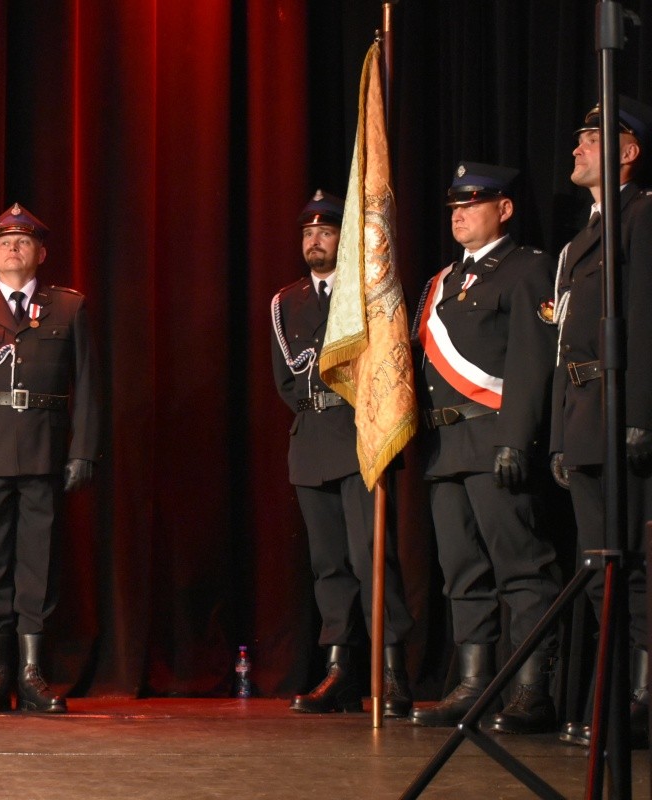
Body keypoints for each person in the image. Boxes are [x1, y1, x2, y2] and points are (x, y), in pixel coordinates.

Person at [409, 162, 561, 733]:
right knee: (462, 571)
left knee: (522, 570)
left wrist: (516, 439)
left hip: (495, 438)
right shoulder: (441, 282)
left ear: (504, 209)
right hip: (446, 445)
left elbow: (531, 360)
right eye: (454, 206)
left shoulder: (527, 269)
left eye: (472, 204)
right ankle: (474, 685)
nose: (459, 215)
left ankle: (531, 690)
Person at [0, 203, 101, 713]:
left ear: (41, 253)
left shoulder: (68, 307)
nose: (13, 248)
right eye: (4, 242)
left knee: (38, 562)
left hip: (45, 451)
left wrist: (82, 451)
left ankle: (31, 673)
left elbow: (89, 386)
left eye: (23, 241)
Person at [269, 190, 414, 716]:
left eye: (325, 233)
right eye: (308, 234)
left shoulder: (367, 293)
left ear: (343, 239)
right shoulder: (285, 302)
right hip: (313, 441)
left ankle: (391, 670)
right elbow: (286, 381)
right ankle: (340, 670)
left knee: (372, 555)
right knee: (328, 563)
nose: (314, 241)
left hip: (360, 436)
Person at [550, 97, 652, 746]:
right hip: (585, 419)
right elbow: (565, 346)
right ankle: (612, 697)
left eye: (592, 137)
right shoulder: (579, 241)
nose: (577, 147)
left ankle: (642, 701)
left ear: (627, 151)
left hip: (622, 416)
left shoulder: (641, 216)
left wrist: (641, 415)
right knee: (597, 569)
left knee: (634, 566)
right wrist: (560, 434)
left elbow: (644, 317)